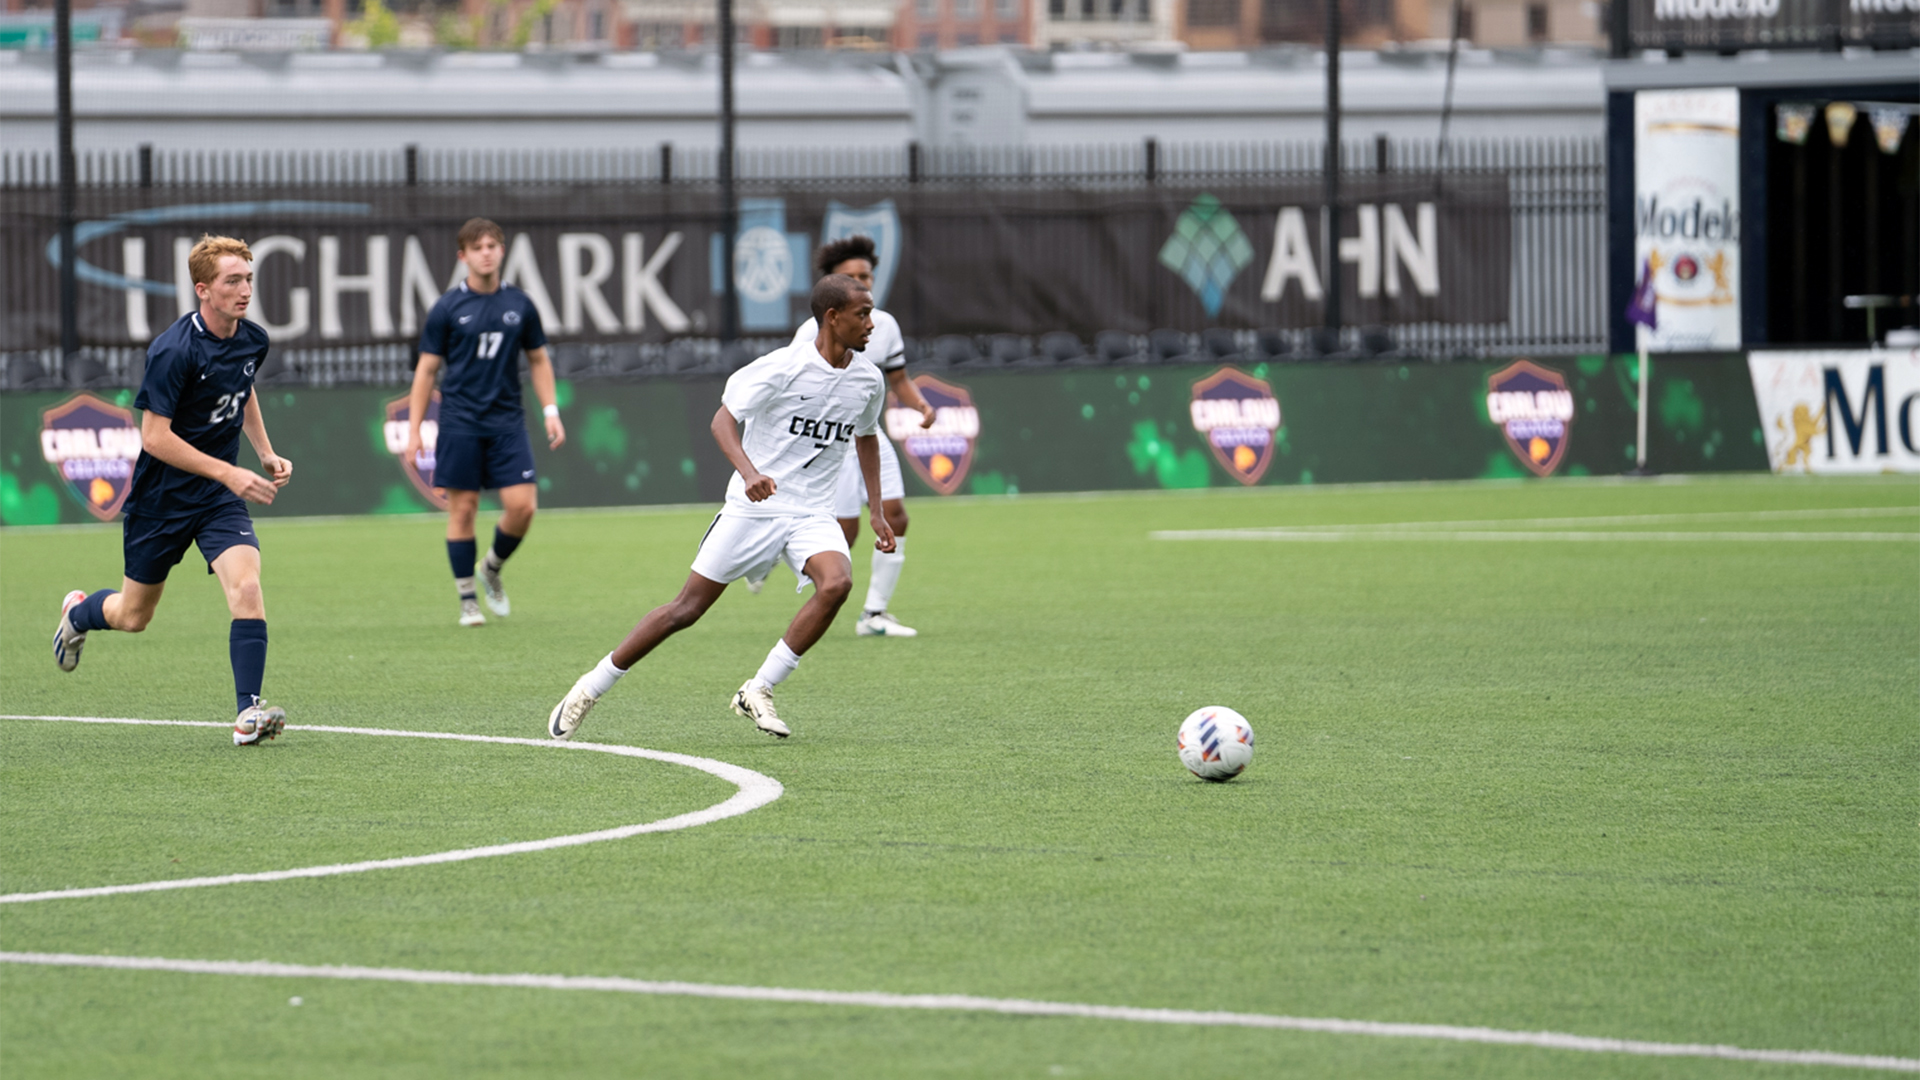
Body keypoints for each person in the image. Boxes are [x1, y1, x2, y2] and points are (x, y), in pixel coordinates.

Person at [546, 274, 893, 742]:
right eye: (863, 313)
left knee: (838, 583)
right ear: (832, 317)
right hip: (754, 511)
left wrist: (875, 509)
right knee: (685, 610)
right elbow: (723, 420)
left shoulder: (868, 380)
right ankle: (591, 686)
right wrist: (750, 473)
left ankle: (760, 688)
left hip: (812, 512)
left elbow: (867, 437)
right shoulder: (782, 367)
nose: (873, 323)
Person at [52, 234, 295, 746]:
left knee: (247, 588)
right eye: (233, 281)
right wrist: (229, 472)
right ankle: (78, 614)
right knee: (133, 616)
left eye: (248, 278)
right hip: (162, 501)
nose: (245, 289)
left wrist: (264, 452)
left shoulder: (252, 338)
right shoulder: (173, 349)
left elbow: (242, 387)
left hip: (215, 498)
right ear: (203, 290)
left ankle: (248, 713)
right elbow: (154, 437)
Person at [766, 236, 934, 638]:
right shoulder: (810, 333)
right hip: (830, 443)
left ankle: (874, 614)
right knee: (847, 532)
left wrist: (921, 406)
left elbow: (897, 379)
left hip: (867, 434)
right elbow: (791, 392)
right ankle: (769, 550)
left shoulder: (884, 325)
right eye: (852, 276)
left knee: (896, 516)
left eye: (867, 275)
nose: (864, 281)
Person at [405, 217, 566, 628]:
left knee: (523, 507)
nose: (486, 252)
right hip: (460, 422)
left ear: (502, 251)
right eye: (477, 247)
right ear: (463, 256)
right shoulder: (446, 308)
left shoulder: (520, 304)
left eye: (493, 245)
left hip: (507, 422)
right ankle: (467, 601)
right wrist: (414, 430)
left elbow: (538, 359)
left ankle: (491, 567)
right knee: (463, 511)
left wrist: (550, 410)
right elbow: (426, 372)